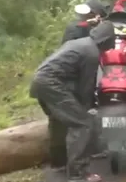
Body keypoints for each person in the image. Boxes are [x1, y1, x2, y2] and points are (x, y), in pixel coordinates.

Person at [30, 22, 116, 182]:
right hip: (52, 84)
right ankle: (78, 174)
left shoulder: (78, 43)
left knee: (59, 121)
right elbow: (85, 88)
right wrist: (88, 108)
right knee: (82, 124)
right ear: (106, 41)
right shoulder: (92, 53)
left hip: (39, 81)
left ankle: (59, 163)